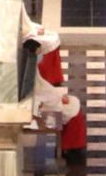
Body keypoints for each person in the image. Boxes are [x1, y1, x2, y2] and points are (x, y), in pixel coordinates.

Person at [28, 22, 86, 165]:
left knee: (73, 106)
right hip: (37, 111)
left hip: (41, 99)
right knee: (73, 111)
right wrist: (57, 99)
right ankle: (71, 149)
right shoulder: (28, 68)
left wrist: (57, 96)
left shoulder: (29, 64)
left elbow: (41, 87)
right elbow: (38, 93)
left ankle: (72, 147)